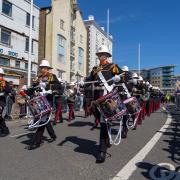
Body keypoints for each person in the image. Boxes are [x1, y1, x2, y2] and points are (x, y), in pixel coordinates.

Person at [82, 45, 123, 163]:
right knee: (104, 122)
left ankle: (102, 151)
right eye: (100, 54)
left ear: (107, 55)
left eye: (103, 54)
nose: (101, 56)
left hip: (107, 97)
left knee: (104, 123)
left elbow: (124, 75)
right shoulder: (95, 68)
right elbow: (89, 79)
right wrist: (82, 82)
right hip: (97, 98)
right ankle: (107, 141)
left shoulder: (113, 66)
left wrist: (118, 78)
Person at [25, 59, 62, 150]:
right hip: (39, 101)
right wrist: (27, 90)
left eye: (44, 68)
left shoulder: (52, 76)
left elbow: (59, 87)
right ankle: (53, 136)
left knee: (42, 120)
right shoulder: (38, 77)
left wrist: (49, 88)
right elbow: (33, 88)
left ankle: (37, 142)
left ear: (48, 68)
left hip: (47, 100)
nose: (42, 69)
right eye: (41, 68)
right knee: (46, 120)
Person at [0, 67, 10, 137]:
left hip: (1, 102)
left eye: (1, 75)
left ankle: (5, 130)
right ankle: (3, 129)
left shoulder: (5, 82)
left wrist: (3, 92)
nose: (0, 76)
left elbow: (8, 90)